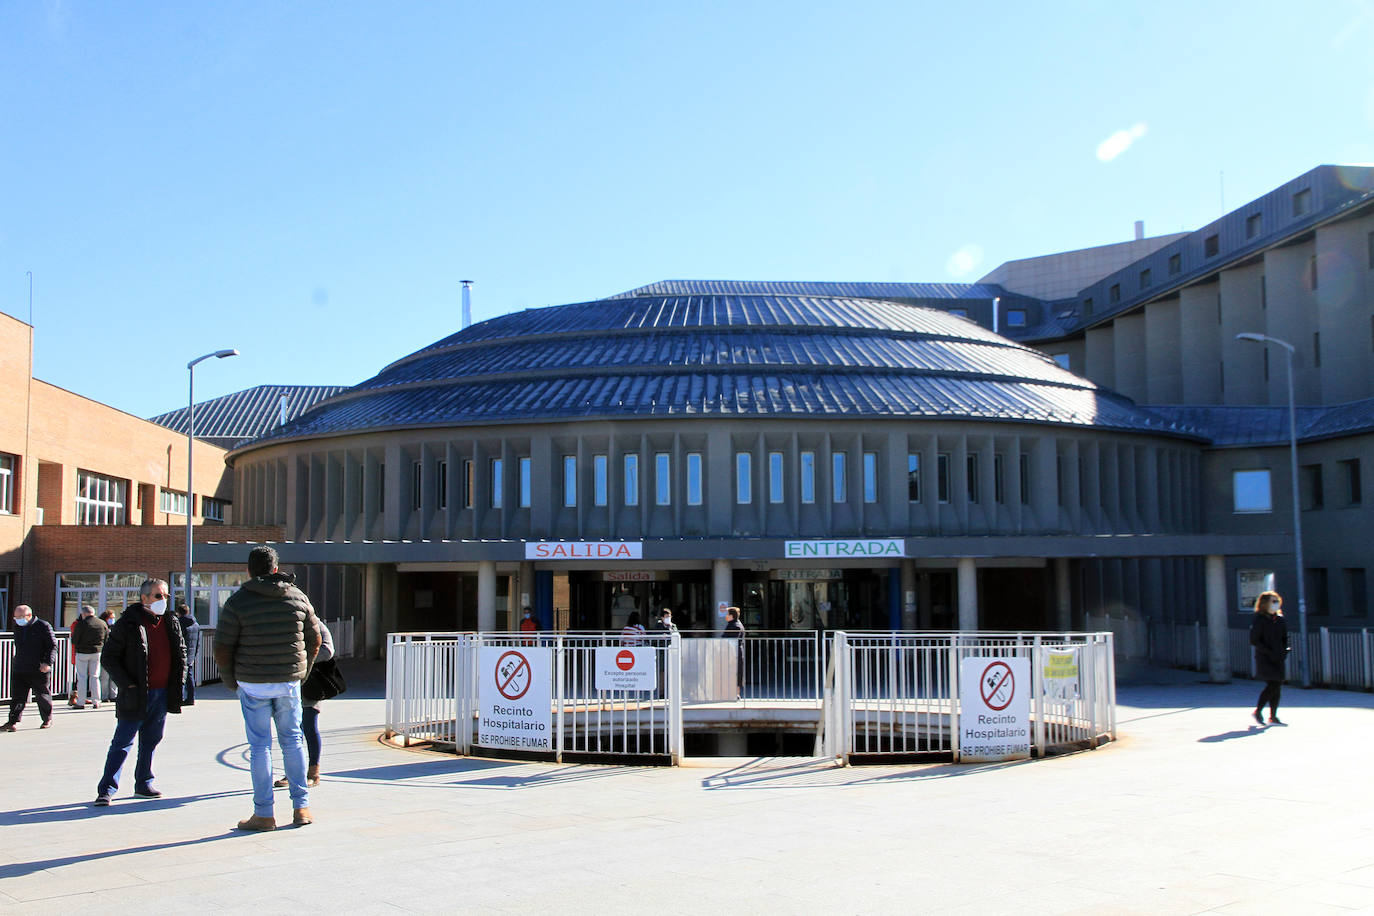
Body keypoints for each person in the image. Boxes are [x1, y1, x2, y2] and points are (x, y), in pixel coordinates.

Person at [215, 545, 321, 831]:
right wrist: (301, 674)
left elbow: (223, 647)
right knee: (293, 741)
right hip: (288, 683)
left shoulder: (238, 601)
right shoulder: (298, 597)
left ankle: (264, 814)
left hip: (252, 684)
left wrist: (230, 681)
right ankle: (302, 808)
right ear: (276, 569)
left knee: (260, 747)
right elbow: (315, 640)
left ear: (249, 571)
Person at [94, 579, 189, 804]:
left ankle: (144, 782)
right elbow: (109, 657)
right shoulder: (129, 623)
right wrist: (127, 684)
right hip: (136, 694)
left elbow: (181, 652)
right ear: (144, 598)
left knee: (152, 740)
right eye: (158, 596)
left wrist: (180, 680)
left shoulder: (170, 621)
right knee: (123, 742)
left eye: (165, 596)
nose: (163, 600)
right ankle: (107, 788)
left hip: (162, 693)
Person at [275, 617, 333, 789]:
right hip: (289, 685)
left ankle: (313, 771)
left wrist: (300, 657)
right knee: (291, 730)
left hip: (310, 685)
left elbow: (327, 650)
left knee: (308, 726)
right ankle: (292, 772)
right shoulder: (283, 624)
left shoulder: (316, 624)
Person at [3, 605, 56, 731]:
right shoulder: (18, 628)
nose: (17, 620)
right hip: (20, 667)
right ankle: (13, 721)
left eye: (20, 617)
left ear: (29, 616)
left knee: (42, 695)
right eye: (15, 617)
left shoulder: (43, 626)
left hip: (38, 668)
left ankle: (47, 719)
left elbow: (52, 646)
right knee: (17, 696)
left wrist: (47, 662)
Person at [1250, 590, 1290, 726]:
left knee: (1278, 685)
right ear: (1265, 604)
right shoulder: (1260, 619)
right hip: (1265, 657)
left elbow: (1285, 637)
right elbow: (1255, 640)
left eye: (1277, 601)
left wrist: (1285, 650)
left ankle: (1273, 715)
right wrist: (1268, 652)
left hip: (1279, 656)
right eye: (1273, 601)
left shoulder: (1280, 619)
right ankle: (1258, 711)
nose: (1276, 604)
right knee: (1273, 683)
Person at [72, 604, 109, 709]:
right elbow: (107, 638)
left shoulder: (81, 624)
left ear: (84, 614)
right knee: (95, 677)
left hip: (82, 653)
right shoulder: (102, 623)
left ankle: (81, 702)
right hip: (97, 652)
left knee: (82, 677)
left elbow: (74, 640)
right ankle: (96, 701)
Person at [177, 603, 200, 705]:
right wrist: (194, 654)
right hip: (191, 654)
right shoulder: (196, 624)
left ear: (179, 613)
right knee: (189, 676)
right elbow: (198, 641)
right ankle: (191, 697)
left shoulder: (180, 623)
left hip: (182, 654)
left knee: (181, 677)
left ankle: (180, 698)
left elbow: (179, 639)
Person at [722, 606, 745, 699]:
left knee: (735, 672)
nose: (725, 616)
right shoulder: (733, 624)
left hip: (734, 653)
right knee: (735, 672)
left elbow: (729, 639)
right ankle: (734, 693)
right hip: (734, 653)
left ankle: (736, 694)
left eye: (727, 614)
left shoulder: (735, 626)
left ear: (731, 616)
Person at [98, 609, 119, 703]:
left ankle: (113, 695)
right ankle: (104, 696)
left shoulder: (115, 627)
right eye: (111, 618)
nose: (113, 620)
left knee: (114, 676)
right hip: (105, 653)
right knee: (104, 676)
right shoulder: (103, 627)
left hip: (114, 654)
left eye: (113, 618)